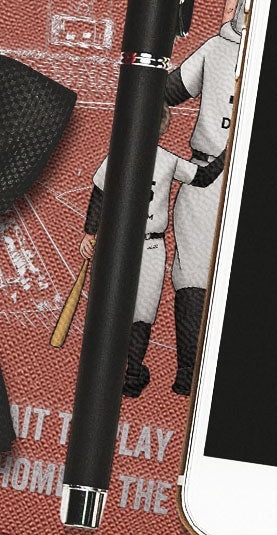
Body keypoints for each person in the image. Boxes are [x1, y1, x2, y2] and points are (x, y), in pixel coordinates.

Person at [162, 0, 254, 393]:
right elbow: (167, 90)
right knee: (193, 273)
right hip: (205, 175)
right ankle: (188, 374)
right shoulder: (218, 49)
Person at [77, 114, 197, 399]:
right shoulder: (163, 159)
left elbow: (98, 194)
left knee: (132, 311)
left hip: (130, 245)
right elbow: (202, 175)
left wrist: (90, 233)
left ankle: (127, 374)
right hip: (137, 245)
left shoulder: (128, 156)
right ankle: (126, 373)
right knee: (132, 311)